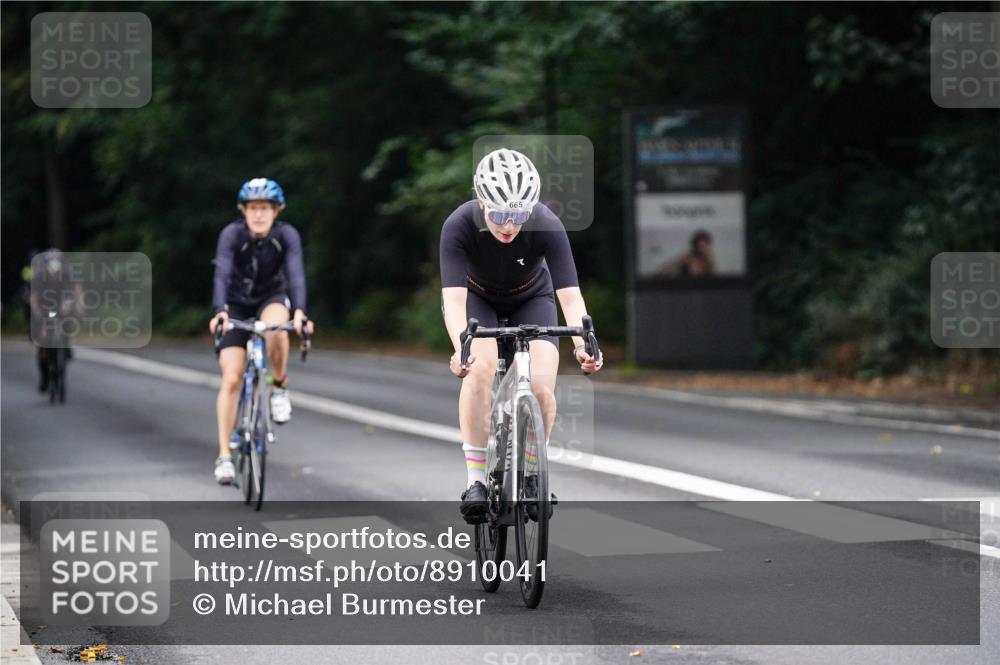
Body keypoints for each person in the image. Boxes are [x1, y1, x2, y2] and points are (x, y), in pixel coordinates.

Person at [439, 148, 603, 523]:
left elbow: (571, 296)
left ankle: (532, 474)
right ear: (481, 202)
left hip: (532, 297)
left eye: (518, 214)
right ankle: (476, 480)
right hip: (476, 300)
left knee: (543, 385)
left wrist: (583, 345)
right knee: (479, 371)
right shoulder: (459, 225)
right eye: (498, 214)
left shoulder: (546, 222)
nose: (509, 225)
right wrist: (460, 349)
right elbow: (453, 300)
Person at [208, 178, 314, 485]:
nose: (258, 215)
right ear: (243, 210)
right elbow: (222, 273)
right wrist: (219, 311)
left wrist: (300, 313)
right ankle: (224, 455)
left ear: (276, 210)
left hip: (271, 298)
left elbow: (296, 274)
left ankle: (278, 387)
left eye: (264, 208)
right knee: (231, 378)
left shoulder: (286, 235)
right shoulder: (231, 234)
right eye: (252, 208)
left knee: (276, 329)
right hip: (235, 305)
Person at [27, 248, 83, 393]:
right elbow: (33, 298)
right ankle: (44, 374)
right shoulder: (39, 276)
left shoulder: (67, 273)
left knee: (68, 319)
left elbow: (77, 290)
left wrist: (79, 305)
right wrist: (38, 313)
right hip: (46, 307)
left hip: (63, 305)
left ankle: (65, 345)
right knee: (42, 337)